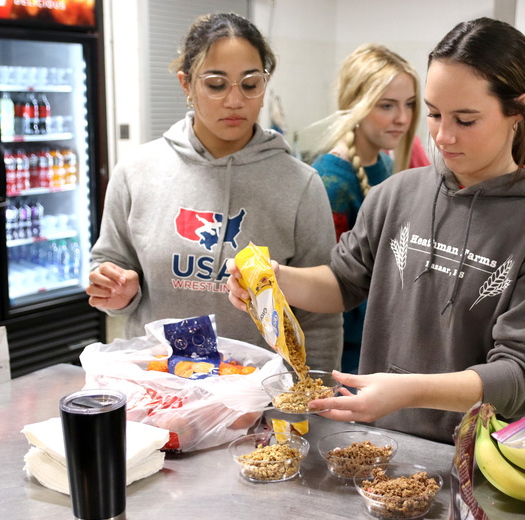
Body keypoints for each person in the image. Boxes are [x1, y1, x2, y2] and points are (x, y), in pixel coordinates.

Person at [227, 17, 525, 443]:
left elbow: (524, 377)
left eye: (466, 120)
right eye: (435, 115)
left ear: (518, 109)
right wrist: (276, 280)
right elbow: (343, 282)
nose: (443, 136)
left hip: (479, 460)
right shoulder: (397, 194)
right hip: (377, 445)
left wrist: (409, 392)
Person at [87, 12, 342, 372]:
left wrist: (312, 398)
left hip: (255, 398)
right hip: (160, 387)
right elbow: (108, 268)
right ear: (186, 85)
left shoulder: (300, 184)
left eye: (250, 84)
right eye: (216, 84)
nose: (235, 101)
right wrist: (116, 292)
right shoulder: (137, 171)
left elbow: (321, 316)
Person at [311, 43, 420, 373]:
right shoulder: (331, 181)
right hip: (348, 353)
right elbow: (325, 287)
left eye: (410, 105)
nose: (402, 118)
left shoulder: (385, 165)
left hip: (383, 340)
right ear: (355, 105)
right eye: (387, 105)